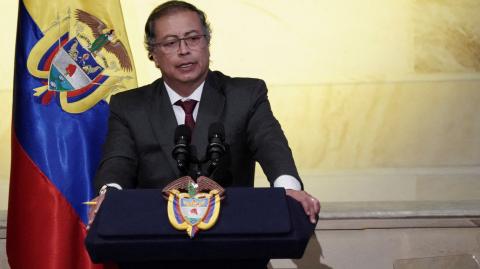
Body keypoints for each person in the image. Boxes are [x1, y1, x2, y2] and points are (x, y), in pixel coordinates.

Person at [88, 0, 320, 231]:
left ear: (208, 42)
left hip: (234, 235)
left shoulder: (246, 95)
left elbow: (271, 146)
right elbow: (118, 161)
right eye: (170, 42)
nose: (184, 50)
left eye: (193, 38)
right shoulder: (129, 106)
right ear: (153, 55)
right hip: (153, 235)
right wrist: (110, 195)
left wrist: (289, 188)